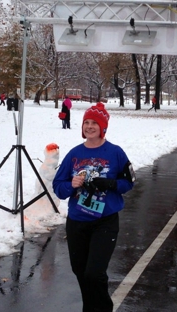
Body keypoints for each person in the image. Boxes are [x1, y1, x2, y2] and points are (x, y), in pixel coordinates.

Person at [53, 102, 135, 312]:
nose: (89, 127)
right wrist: (71, 185)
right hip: (77, 222)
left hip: (104, 223)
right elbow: (58, 187)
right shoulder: (74, 154)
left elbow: (129, 182)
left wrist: (112, 184)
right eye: (86, 123)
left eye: (94, 123)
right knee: (80, 271)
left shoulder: (115, 153)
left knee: (94, 273)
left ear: (103, 127)